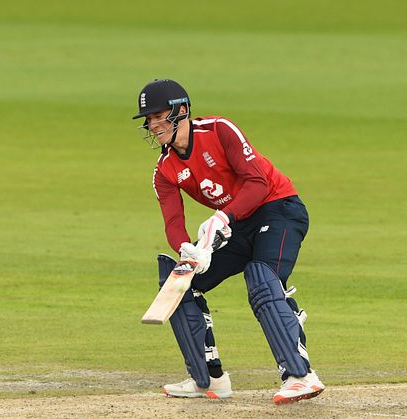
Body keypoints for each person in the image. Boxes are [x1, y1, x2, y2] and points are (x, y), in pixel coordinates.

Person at [132, 79, 325, 405]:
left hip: (277, 208)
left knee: (262, 277)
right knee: (180, 281)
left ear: (182, 111)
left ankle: (300, 376)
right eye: (148, 119)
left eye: (159, 115)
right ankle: (208, 378)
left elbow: (258, 183)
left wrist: (223, 219)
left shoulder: (219, 130)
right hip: (236, 223)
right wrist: (189, 251)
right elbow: (173, 222)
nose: (153, 125)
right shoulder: (164, 169)